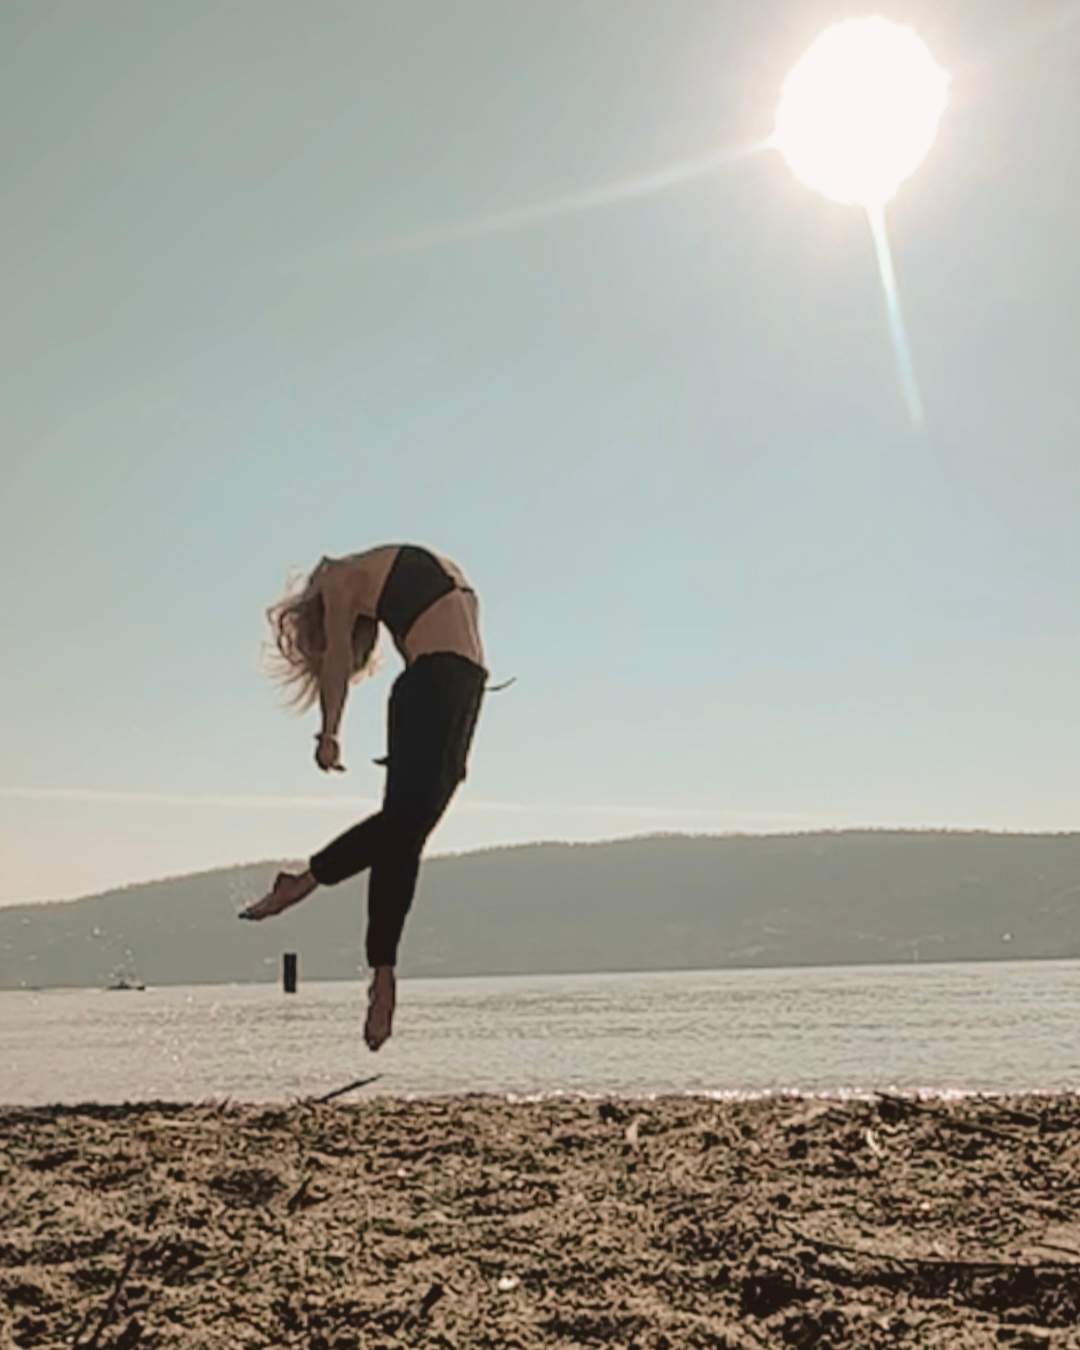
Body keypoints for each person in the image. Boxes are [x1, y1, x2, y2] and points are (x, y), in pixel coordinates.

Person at [240, 544, 487, 1051]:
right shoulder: (339, 578)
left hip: (466, 687)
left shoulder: (365, 571)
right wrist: (328, 731)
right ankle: (382, 972)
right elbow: (334, 664)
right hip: (430, 685)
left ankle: (305, 882)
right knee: (403, 831)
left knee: (403, 832)